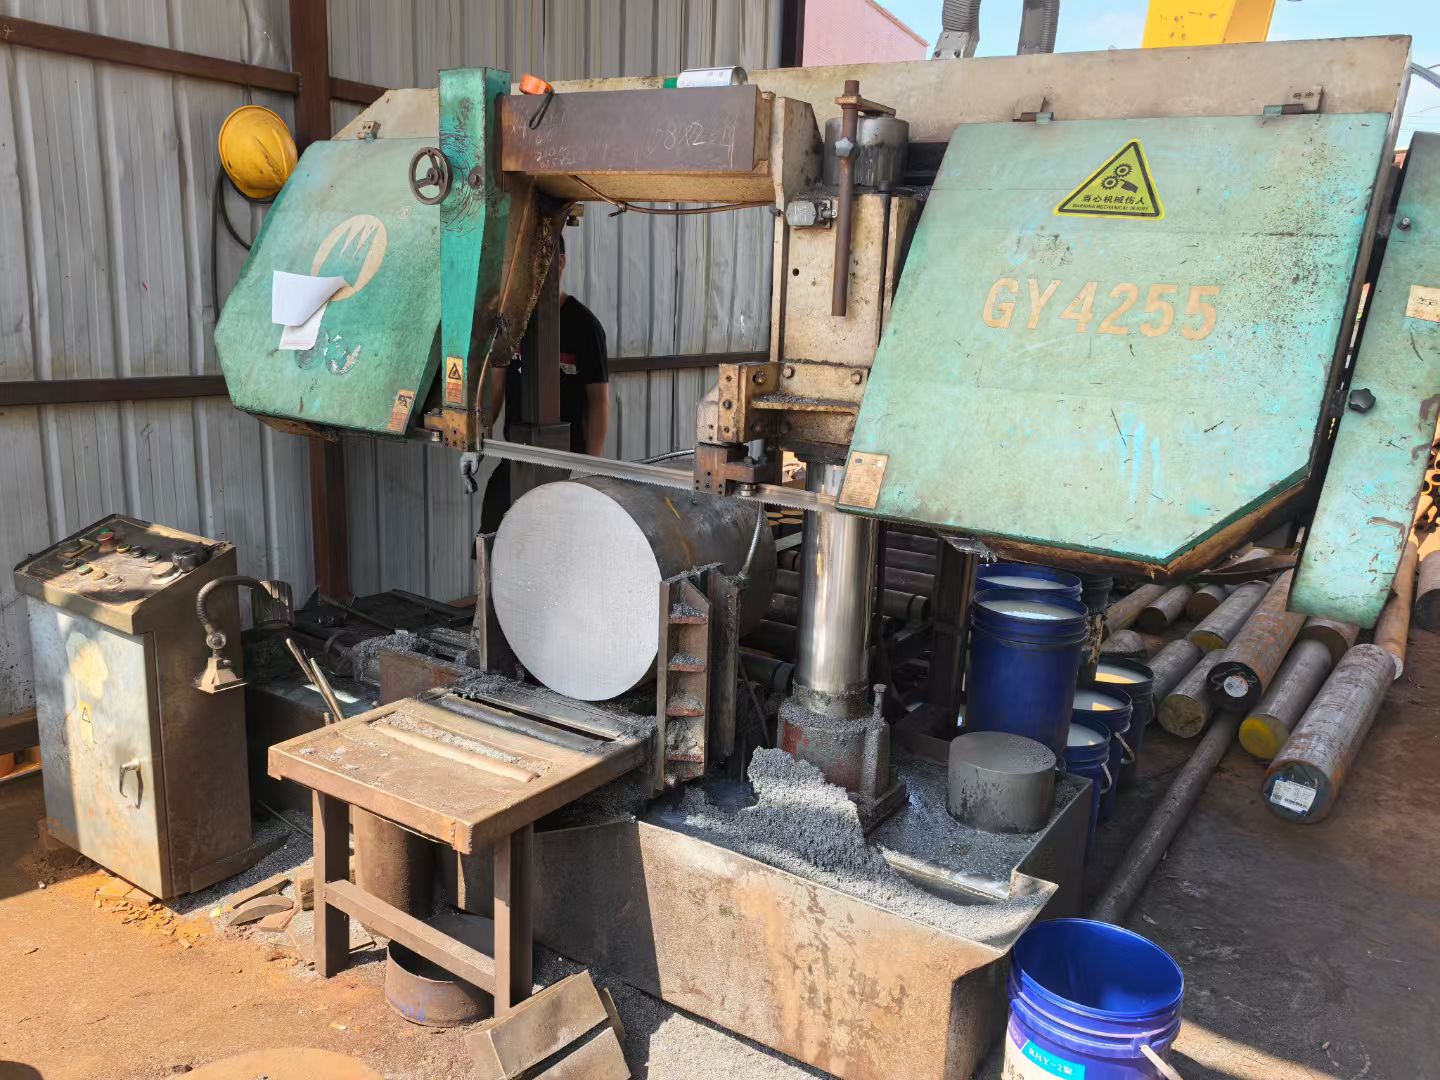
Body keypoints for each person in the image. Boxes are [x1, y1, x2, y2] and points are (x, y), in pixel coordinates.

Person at [481, 231, 609, 530]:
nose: (531, 271)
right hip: (516, 457)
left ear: (560, 263)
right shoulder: (509, 320)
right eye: (524, 263)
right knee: (491, 535)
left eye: (541, 262)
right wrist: (478, 438)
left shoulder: (584, 326)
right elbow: (497, 382)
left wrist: (587, 470)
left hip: (567, 464)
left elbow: (599, 403)